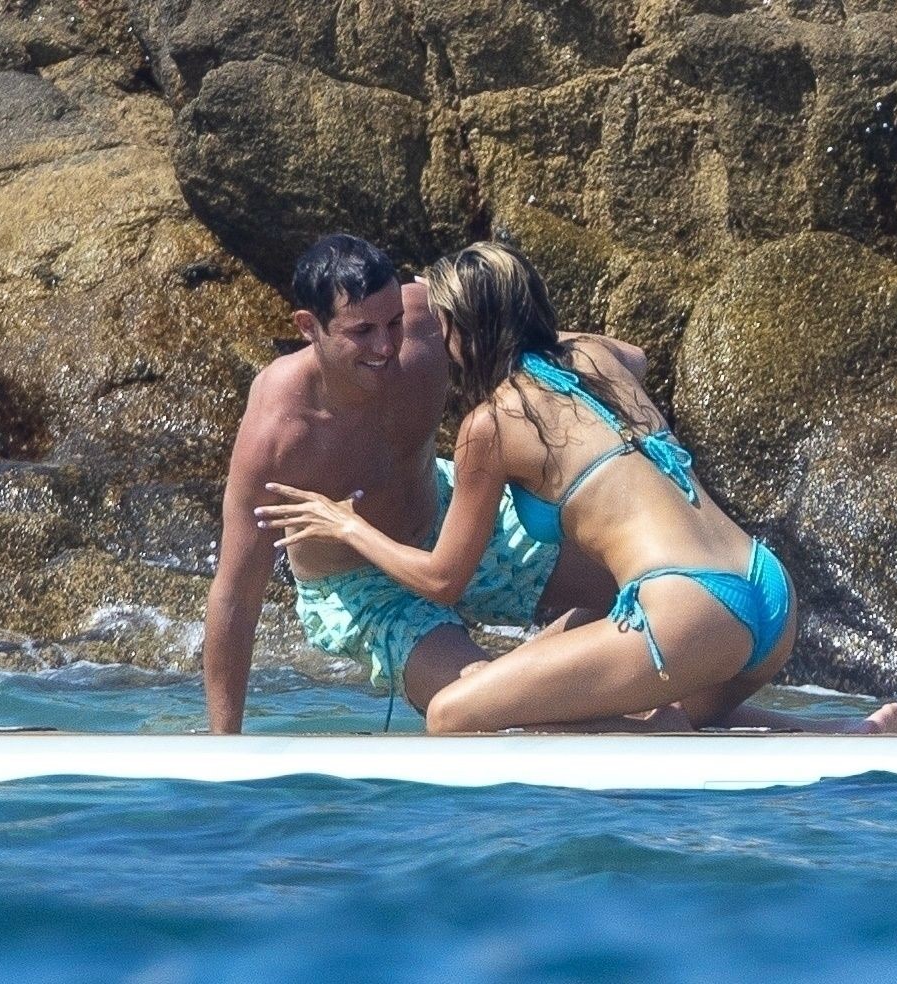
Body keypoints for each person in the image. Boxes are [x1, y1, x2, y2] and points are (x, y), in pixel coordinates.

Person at [256, 242, 897, 735]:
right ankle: (848, 734)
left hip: (689, 609)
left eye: (444, 326)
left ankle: (706, 733)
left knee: (453, 715)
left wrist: (346, 525)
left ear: (465, 330)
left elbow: (442, 581)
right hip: (767, 591)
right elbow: (637, 355)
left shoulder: (492, 424)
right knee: (656, 715)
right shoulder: (597, 358)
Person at [202, 234, 617, 734]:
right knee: (490, 714)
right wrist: (224, 744)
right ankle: (553, 692)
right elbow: (236, 595)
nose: (385, 347)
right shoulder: (278, 436)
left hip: (452, 519)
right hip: (364, 585)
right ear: (309, 327)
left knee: (638, 588)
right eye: (361, 331)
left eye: (393, 322)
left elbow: (533, 341)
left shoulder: (425, 318)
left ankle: (543, 670)